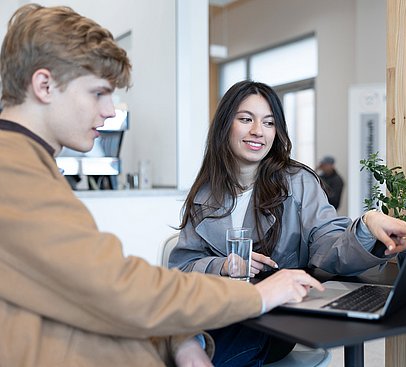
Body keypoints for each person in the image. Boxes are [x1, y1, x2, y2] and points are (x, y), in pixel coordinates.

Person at [0, 5, 325, 367]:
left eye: (267, 122)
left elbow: (101, 288)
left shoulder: (29, 165)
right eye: (98, 93)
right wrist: (259, 296)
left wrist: (182, 339)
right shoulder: (14, 174)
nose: (110, 111)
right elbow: (119, 288)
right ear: (44, 85)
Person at [169, 80, 406, 366]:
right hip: (212, 310)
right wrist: (224, 265)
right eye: (246, 119)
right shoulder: (203, 193)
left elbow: (330, 246)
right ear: (225, 125)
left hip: (267, 321)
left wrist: (366, 223)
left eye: (269, 122)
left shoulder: (298, 182)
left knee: (198, 354)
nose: (257, 131)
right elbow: (181, 269)